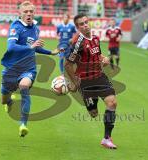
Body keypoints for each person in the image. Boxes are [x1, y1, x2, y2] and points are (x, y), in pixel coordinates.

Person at [1, 1, 59, 137]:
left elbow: (35, 47)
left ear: (34, 13)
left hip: (28, 67)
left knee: (24, 86)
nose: (28, 14)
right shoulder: (15, 27)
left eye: (31, 12)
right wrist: (31, 47)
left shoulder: (36, 28)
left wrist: (51, 52)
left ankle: (23, 125)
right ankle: (9, 102)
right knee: (3, 99)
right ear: (19, 13)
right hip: (11, 68)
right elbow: (11, 47)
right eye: (25, 11)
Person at [65, 14, 118, 149]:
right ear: (77, 27)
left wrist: (104, 58)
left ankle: (106, 138)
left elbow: (97, 54)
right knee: (93, 113)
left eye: (86, 22)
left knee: (112, 102)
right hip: (85, 81)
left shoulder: (95, 38)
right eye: (81, 24)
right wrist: (75, 82)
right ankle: (91, 104)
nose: (85, 25)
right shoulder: (78, 43)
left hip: (99, 76)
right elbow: (68, 64)